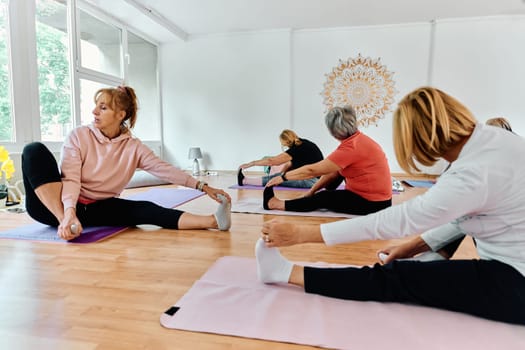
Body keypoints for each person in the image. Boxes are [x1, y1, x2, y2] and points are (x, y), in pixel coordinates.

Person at [256, 86, 525, 325]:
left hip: (515, 282)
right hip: (512, 254)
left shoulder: (471, 174)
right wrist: (408, 248)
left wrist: (301, 235)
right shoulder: (495, 139)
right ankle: (430, 263)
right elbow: (459, 221)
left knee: (395, 277)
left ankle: (282, 271)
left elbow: (398, 221)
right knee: (448, 232)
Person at [21, 86, 232, 241]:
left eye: (102, 108)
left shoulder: (133, 147)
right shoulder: (78, 136)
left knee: (147, 210)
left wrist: (203, 186)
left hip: (98, 208)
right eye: (96, 106)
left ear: (120, 115)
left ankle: (214, 221)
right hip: (54, 206)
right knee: (33, 150)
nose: (94, 112)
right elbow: (71, 179)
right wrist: (68, 213)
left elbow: (165, 170)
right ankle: (65, 222)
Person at [262, 106, 392, 215]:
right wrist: (310, 192)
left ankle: (274, 204)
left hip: (373, 204)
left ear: (333, 131)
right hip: (380, 200)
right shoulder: (358, 140)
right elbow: (333, 173)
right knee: (335, 177)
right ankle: (309, 198)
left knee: (323, 198)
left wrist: (283, 177)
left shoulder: (351, 148)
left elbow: (312, 170)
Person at [237, 129, 324, 188]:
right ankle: (246, 180)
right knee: (278, 176)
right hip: (317, 178)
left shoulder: (295, 149)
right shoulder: (305, 143)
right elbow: (290, 164)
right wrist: (282, 174)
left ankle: (245, 181)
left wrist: (252, 163)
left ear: (285, 143)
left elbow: (272, 161)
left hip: (311, 181)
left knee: (276, 179)